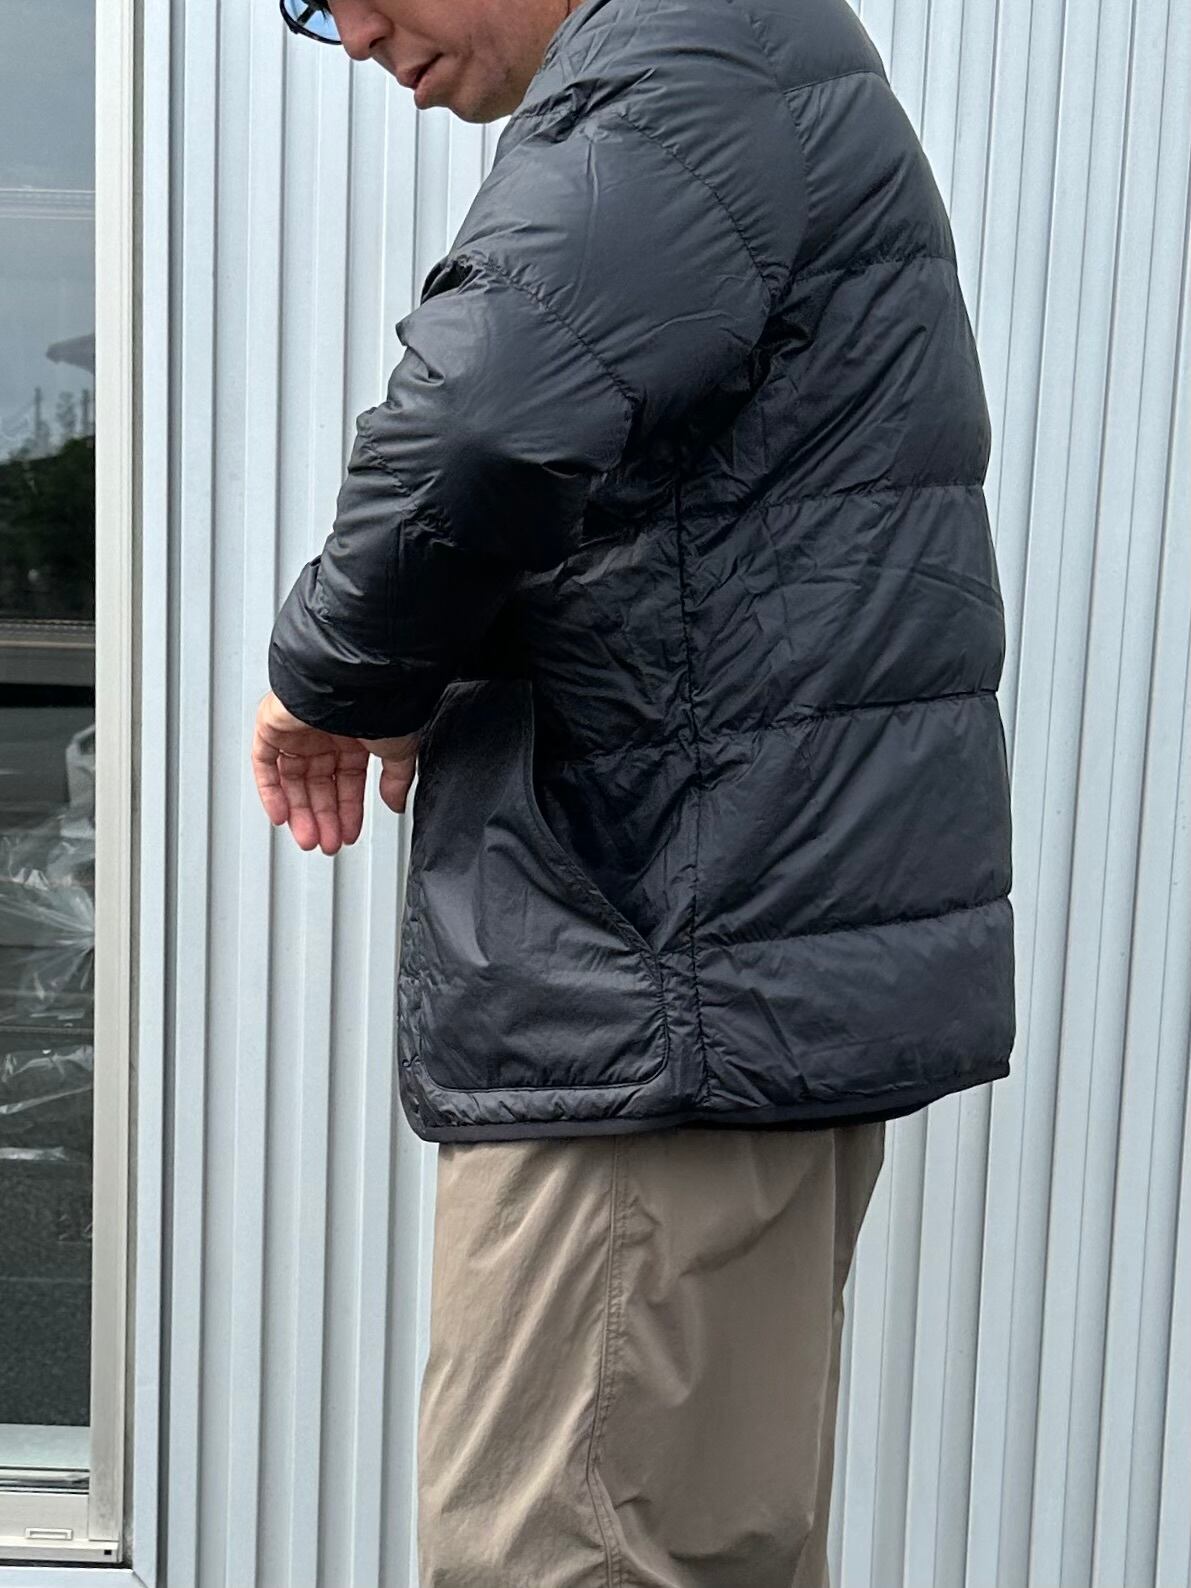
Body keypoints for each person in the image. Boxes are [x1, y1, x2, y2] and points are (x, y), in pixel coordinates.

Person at [252, 0, 1016, 1580]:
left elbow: (482, 424)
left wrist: (336, 674)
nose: (352, 32)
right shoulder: (737, 58)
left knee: (563, 1551)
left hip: (657, 981)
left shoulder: (685, 65)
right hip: (708, 978)